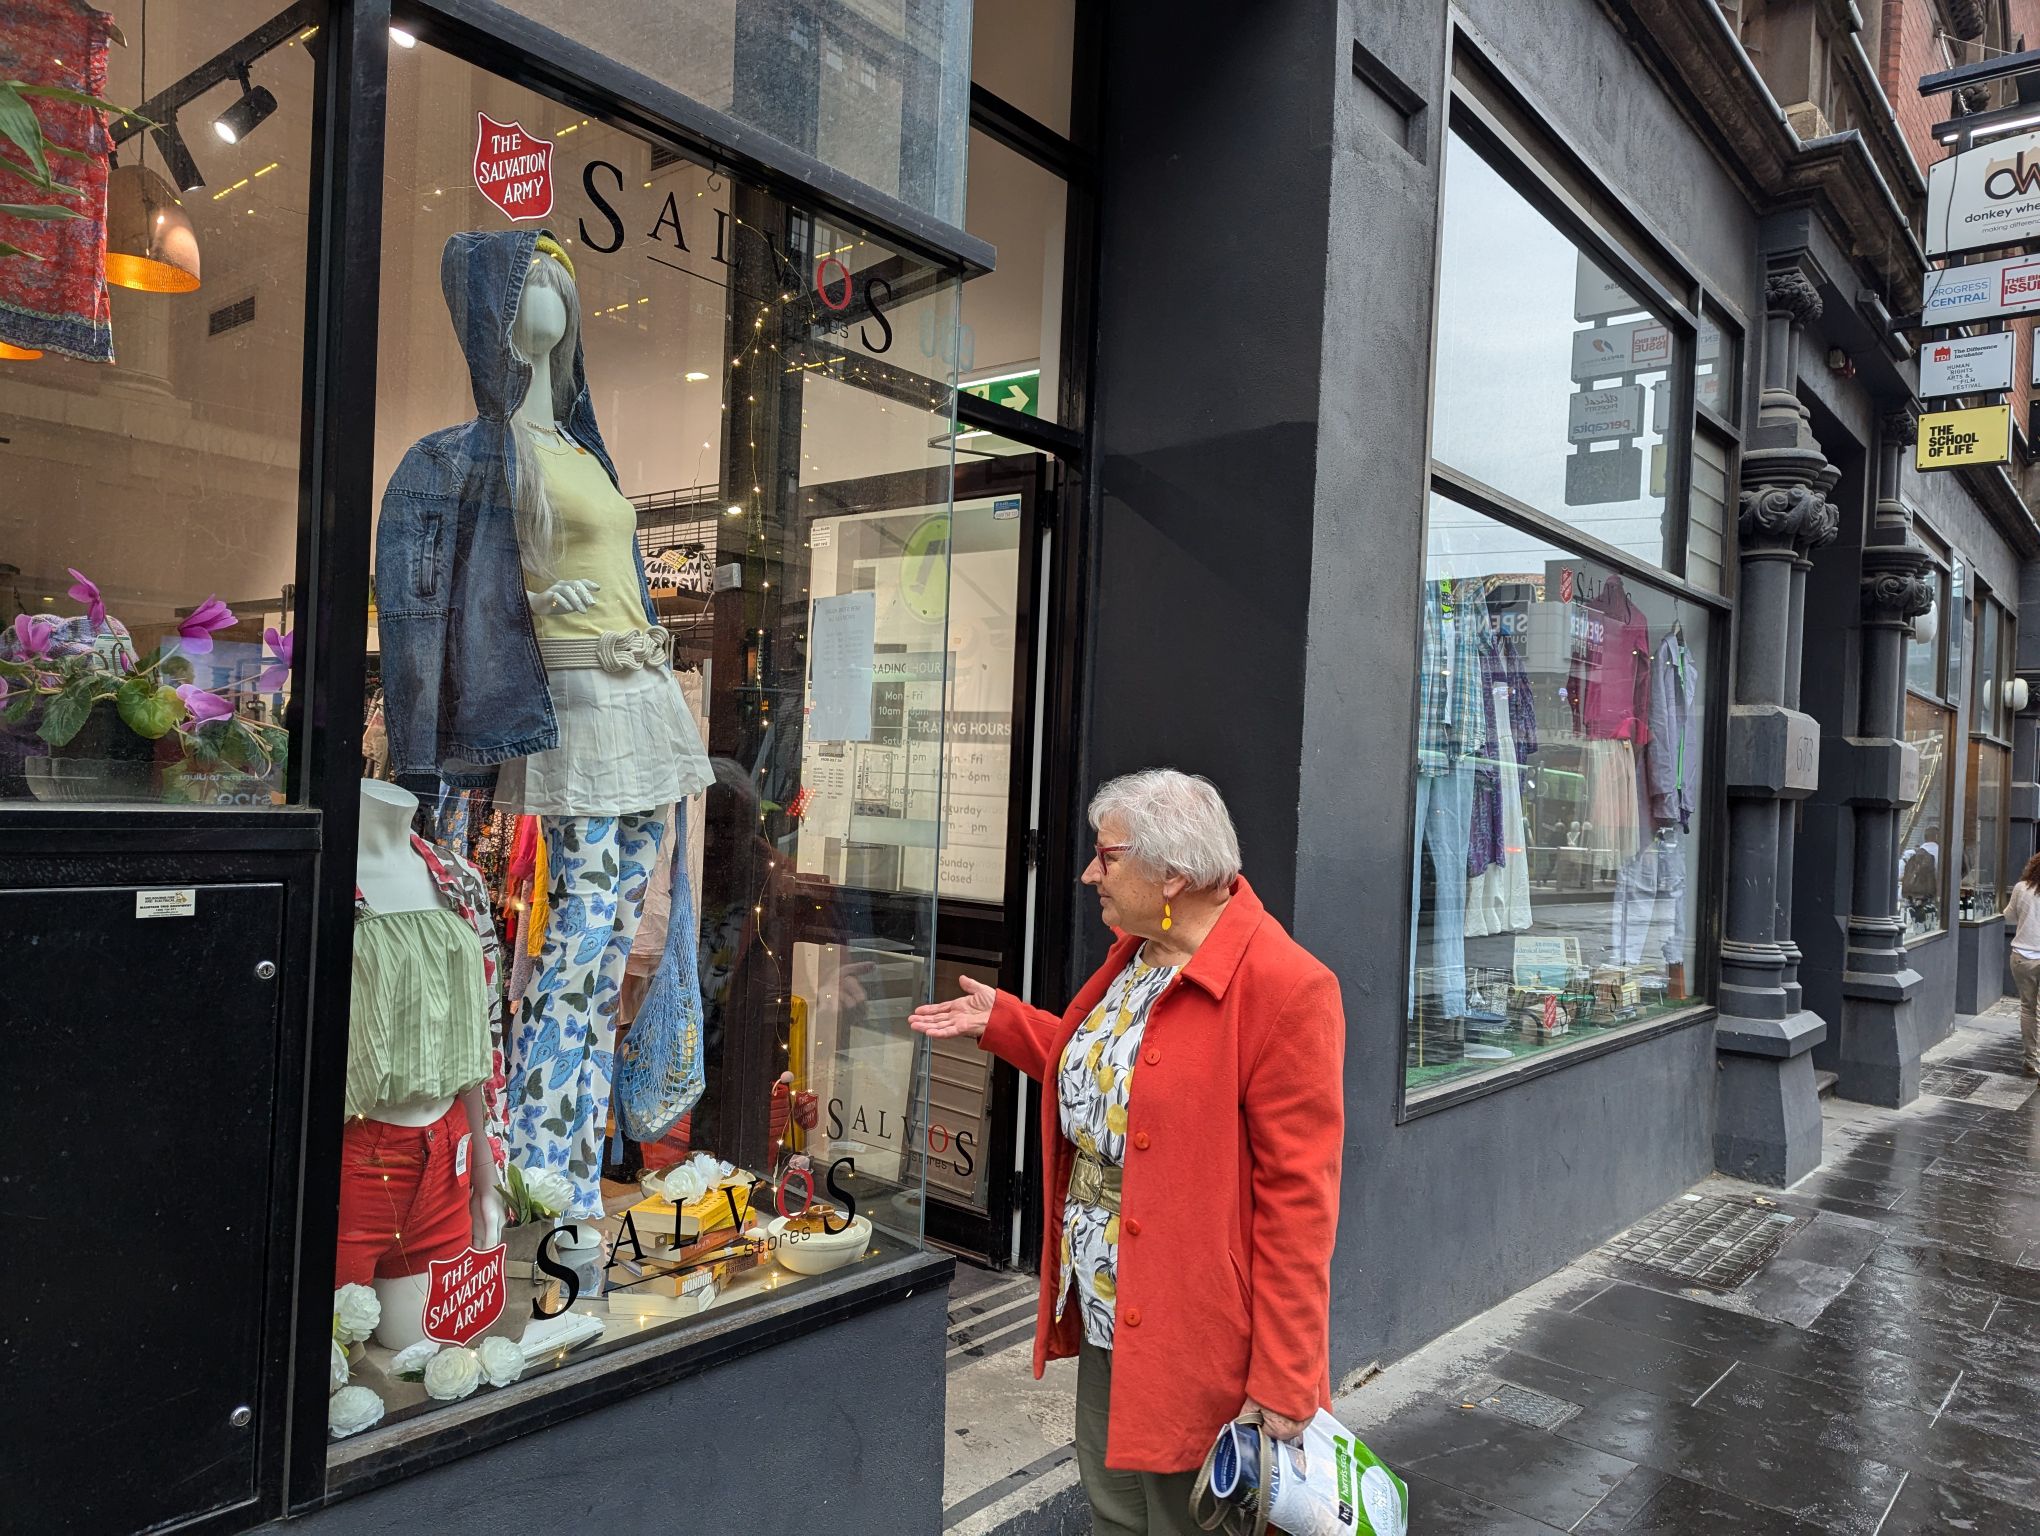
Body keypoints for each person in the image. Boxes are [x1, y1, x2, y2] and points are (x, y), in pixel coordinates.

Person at [911, 769, 1345, 1536]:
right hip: (1112, 1297)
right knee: (1114, 1506)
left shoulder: (1286, 987)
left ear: (1172, 871)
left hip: (1199, 1326)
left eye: (1106, 857)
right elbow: (1120, 1084)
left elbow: (1300, 1203)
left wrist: (1285, 1374)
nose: (1088, 875)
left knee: (1189, 1519)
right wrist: (1006, 1022)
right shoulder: (1140, 956)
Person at [2002, 850, 2040, 1076]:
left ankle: (2032, 1060)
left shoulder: (2021, 888)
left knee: (2028, 1008)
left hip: (2023, 956)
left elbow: (2009, 916)